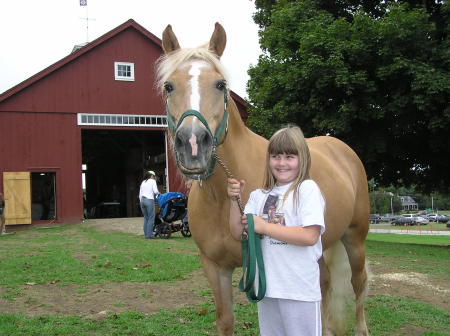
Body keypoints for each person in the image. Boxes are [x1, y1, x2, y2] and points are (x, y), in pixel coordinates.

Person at [227, 124, 326, 336]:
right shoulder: (258, 195)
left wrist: (265, 227)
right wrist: (234, 200)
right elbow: (238, 232)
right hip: (268, 288)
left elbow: (310, 236)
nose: (281, 163)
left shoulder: (306, 190)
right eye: (276, 156)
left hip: (299, 290)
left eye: (290, 157)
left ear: (303, 159)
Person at [139, 170, 160, 239]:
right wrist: (159, 193)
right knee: (151, 218)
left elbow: (140, 194)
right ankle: (149, 235)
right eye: (154, 176)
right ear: (151, 176)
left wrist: (141, 201)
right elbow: (155, 191)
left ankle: (146, 234)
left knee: (146, 218)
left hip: (142, 200)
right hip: (149, 200)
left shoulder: (143, 182)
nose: (154, 178)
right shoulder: (152, 181)